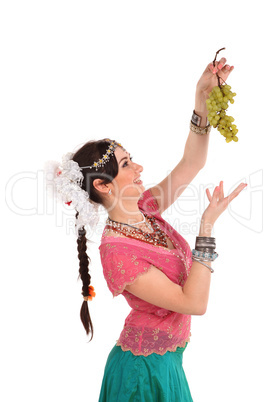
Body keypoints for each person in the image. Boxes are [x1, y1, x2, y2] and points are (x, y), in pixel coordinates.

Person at [44, 58, 247, 401]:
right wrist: (207, 227)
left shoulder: (145, 208)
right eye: (126, 164)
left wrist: (201, 98)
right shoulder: (117, 253)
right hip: (142, 374)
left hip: (166, 363)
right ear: (105, 187)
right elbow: (194, 302)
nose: (139, 167)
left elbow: (192, 162)